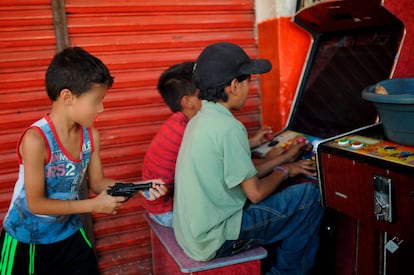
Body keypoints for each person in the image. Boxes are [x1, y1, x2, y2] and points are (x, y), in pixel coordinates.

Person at [0, 47, 166, 275]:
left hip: (68, 233)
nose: (101, 108)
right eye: (96, 100)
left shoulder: (90, 136)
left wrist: (141, 187)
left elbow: (97, 183)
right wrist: (93, 205)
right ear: (67, 97)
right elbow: (36, 204)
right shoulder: (36, 140)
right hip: (27, 241)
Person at [173, 42, 324, 275]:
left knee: (291, 202)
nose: (250, 88)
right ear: (234, 86)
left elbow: (242, 175)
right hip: (216, 239)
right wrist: (287, 171)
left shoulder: (199, 120)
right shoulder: (229, 128)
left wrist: (284, 158)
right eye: (248, 81)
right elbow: (255, 193)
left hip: (193, 235)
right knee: (310, 197)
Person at [141, 61, 299, 228]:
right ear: (188, 102)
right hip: (170, 213)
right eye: (202, 93)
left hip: (161, 207)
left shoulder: (181, 123)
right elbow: (245, 184)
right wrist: (285, 162)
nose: (211, 96)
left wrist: (252, 143)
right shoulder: (189, 131)